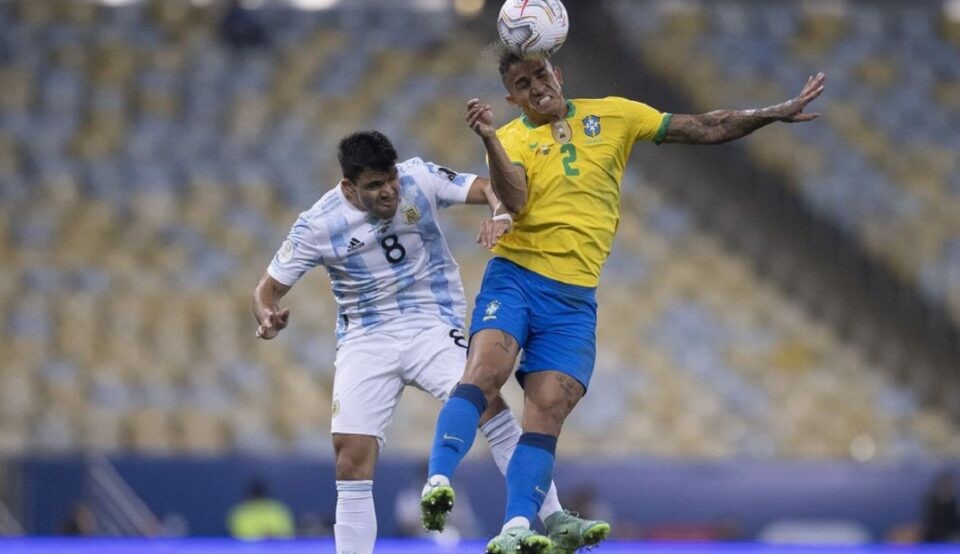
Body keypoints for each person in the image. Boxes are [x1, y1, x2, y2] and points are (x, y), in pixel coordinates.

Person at [420, 50, 826, 554]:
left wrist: (773, 113)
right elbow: (516, 200)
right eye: (523, 85)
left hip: (573, 298)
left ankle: (517, 528)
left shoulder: (614, 114)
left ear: (558, 73)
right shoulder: (509, 139)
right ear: (512, 98)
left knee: (548, 410)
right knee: (485, 372)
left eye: (541, 75)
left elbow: (705, 126)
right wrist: (487, 137)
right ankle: (437, 480)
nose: (536, 87)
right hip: (517, 278)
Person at [253, 130, 600, 554]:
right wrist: (268, 315)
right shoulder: (317, 224)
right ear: (349, 187)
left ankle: (552, 518)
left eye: (390, 180)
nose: (388, 192)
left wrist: (499, 212)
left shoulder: (420, 178)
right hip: (366, 337)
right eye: (374, 186)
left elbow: (489, 187)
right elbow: (267, 288)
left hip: (431, 324)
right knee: (350, 459)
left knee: (489, 403)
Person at [227, 480, 295, 539]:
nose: (256, 500)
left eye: (258, 495)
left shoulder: (278, 509)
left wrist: (272, 536)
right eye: (254, 495)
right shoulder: (239, 512)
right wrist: (262, 536)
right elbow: (239, 535)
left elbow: (287, 533)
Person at [920, 471, 960, 542]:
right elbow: (930, 525)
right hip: (933, 540)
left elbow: (955, 524)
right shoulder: (932, 504)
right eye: (945, 485)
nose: (947, 487)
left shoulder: (953, 504)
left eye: (950, 485)